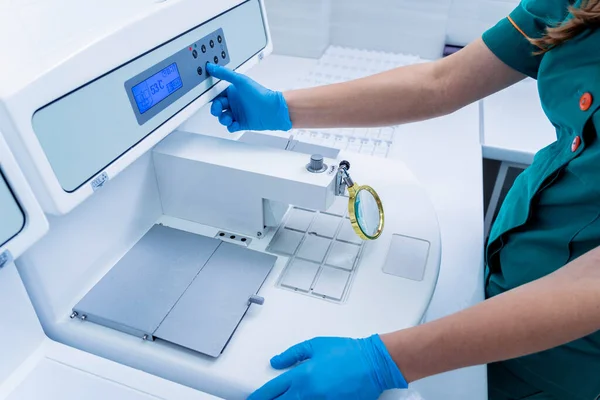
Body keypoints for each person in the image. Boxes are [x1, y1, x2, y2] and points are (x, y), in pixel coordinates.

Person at [205, 0, 600, 398]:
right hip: (511, 251)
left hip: (559, 350)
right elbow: (442, 81)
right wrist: (282, 108)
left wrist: (387, 361)